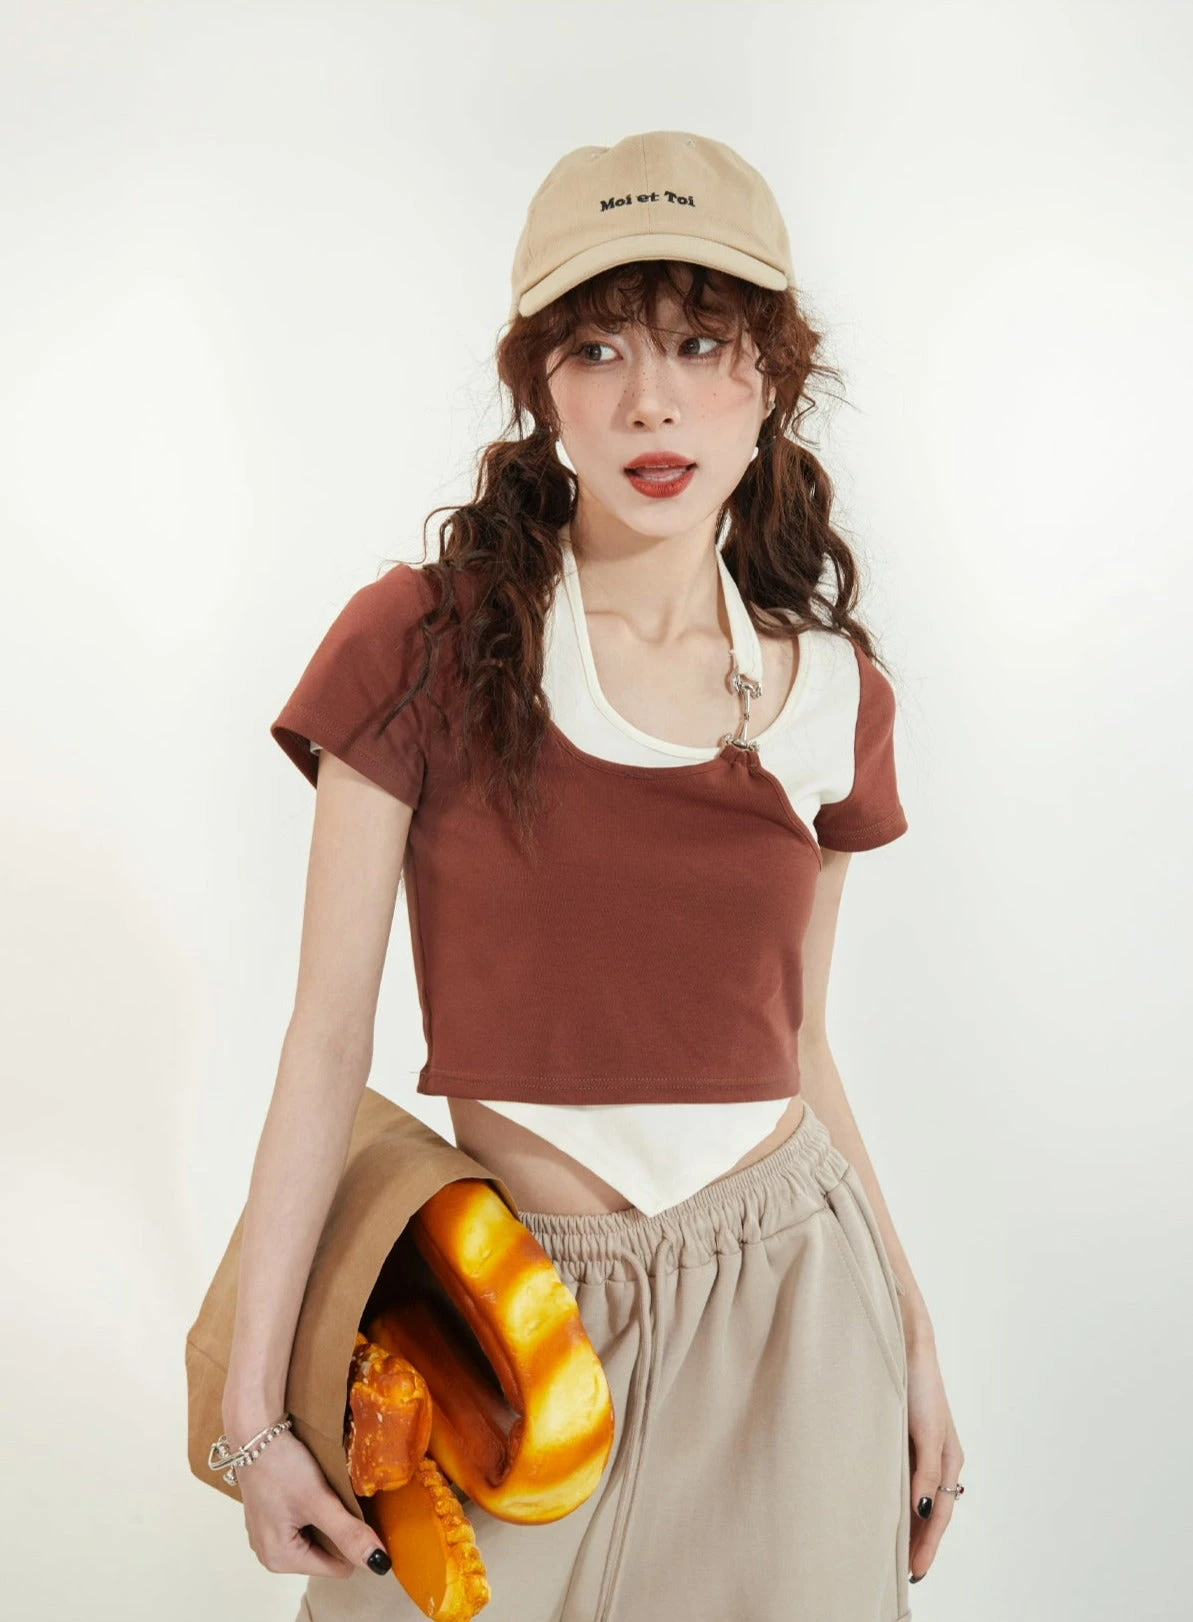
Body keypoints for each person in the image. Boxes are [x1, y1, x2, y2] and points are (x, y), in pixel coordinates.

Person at [220, 130, 965, 1621]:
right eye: (600, 347)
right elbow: (324, 1039)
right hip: (505, 1330)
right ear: (542, 386)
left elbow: (804, 1045)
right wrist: (253, 1415)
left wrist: (916, 1341)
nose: (650, 401)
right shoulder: (420, 643)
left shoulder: (833, 693)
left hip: (794, 1323)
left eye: (701, 343)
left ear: (773, 377)